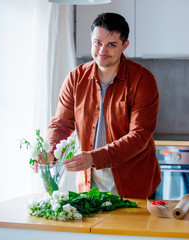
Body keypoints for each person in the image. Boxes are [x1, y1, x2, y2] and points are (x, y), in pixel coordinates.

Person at [45, 12, 160, 199]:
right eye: (97, 42)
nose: (102, 51)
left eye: (111, 45)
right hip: (89, 180)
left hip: (133, 181)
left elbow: (140, 135)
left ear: (125, 45)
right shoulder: (75, 78)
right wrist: (49, 151)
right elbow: (61, 123)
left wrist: (93, 158)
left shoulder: (143, 80)